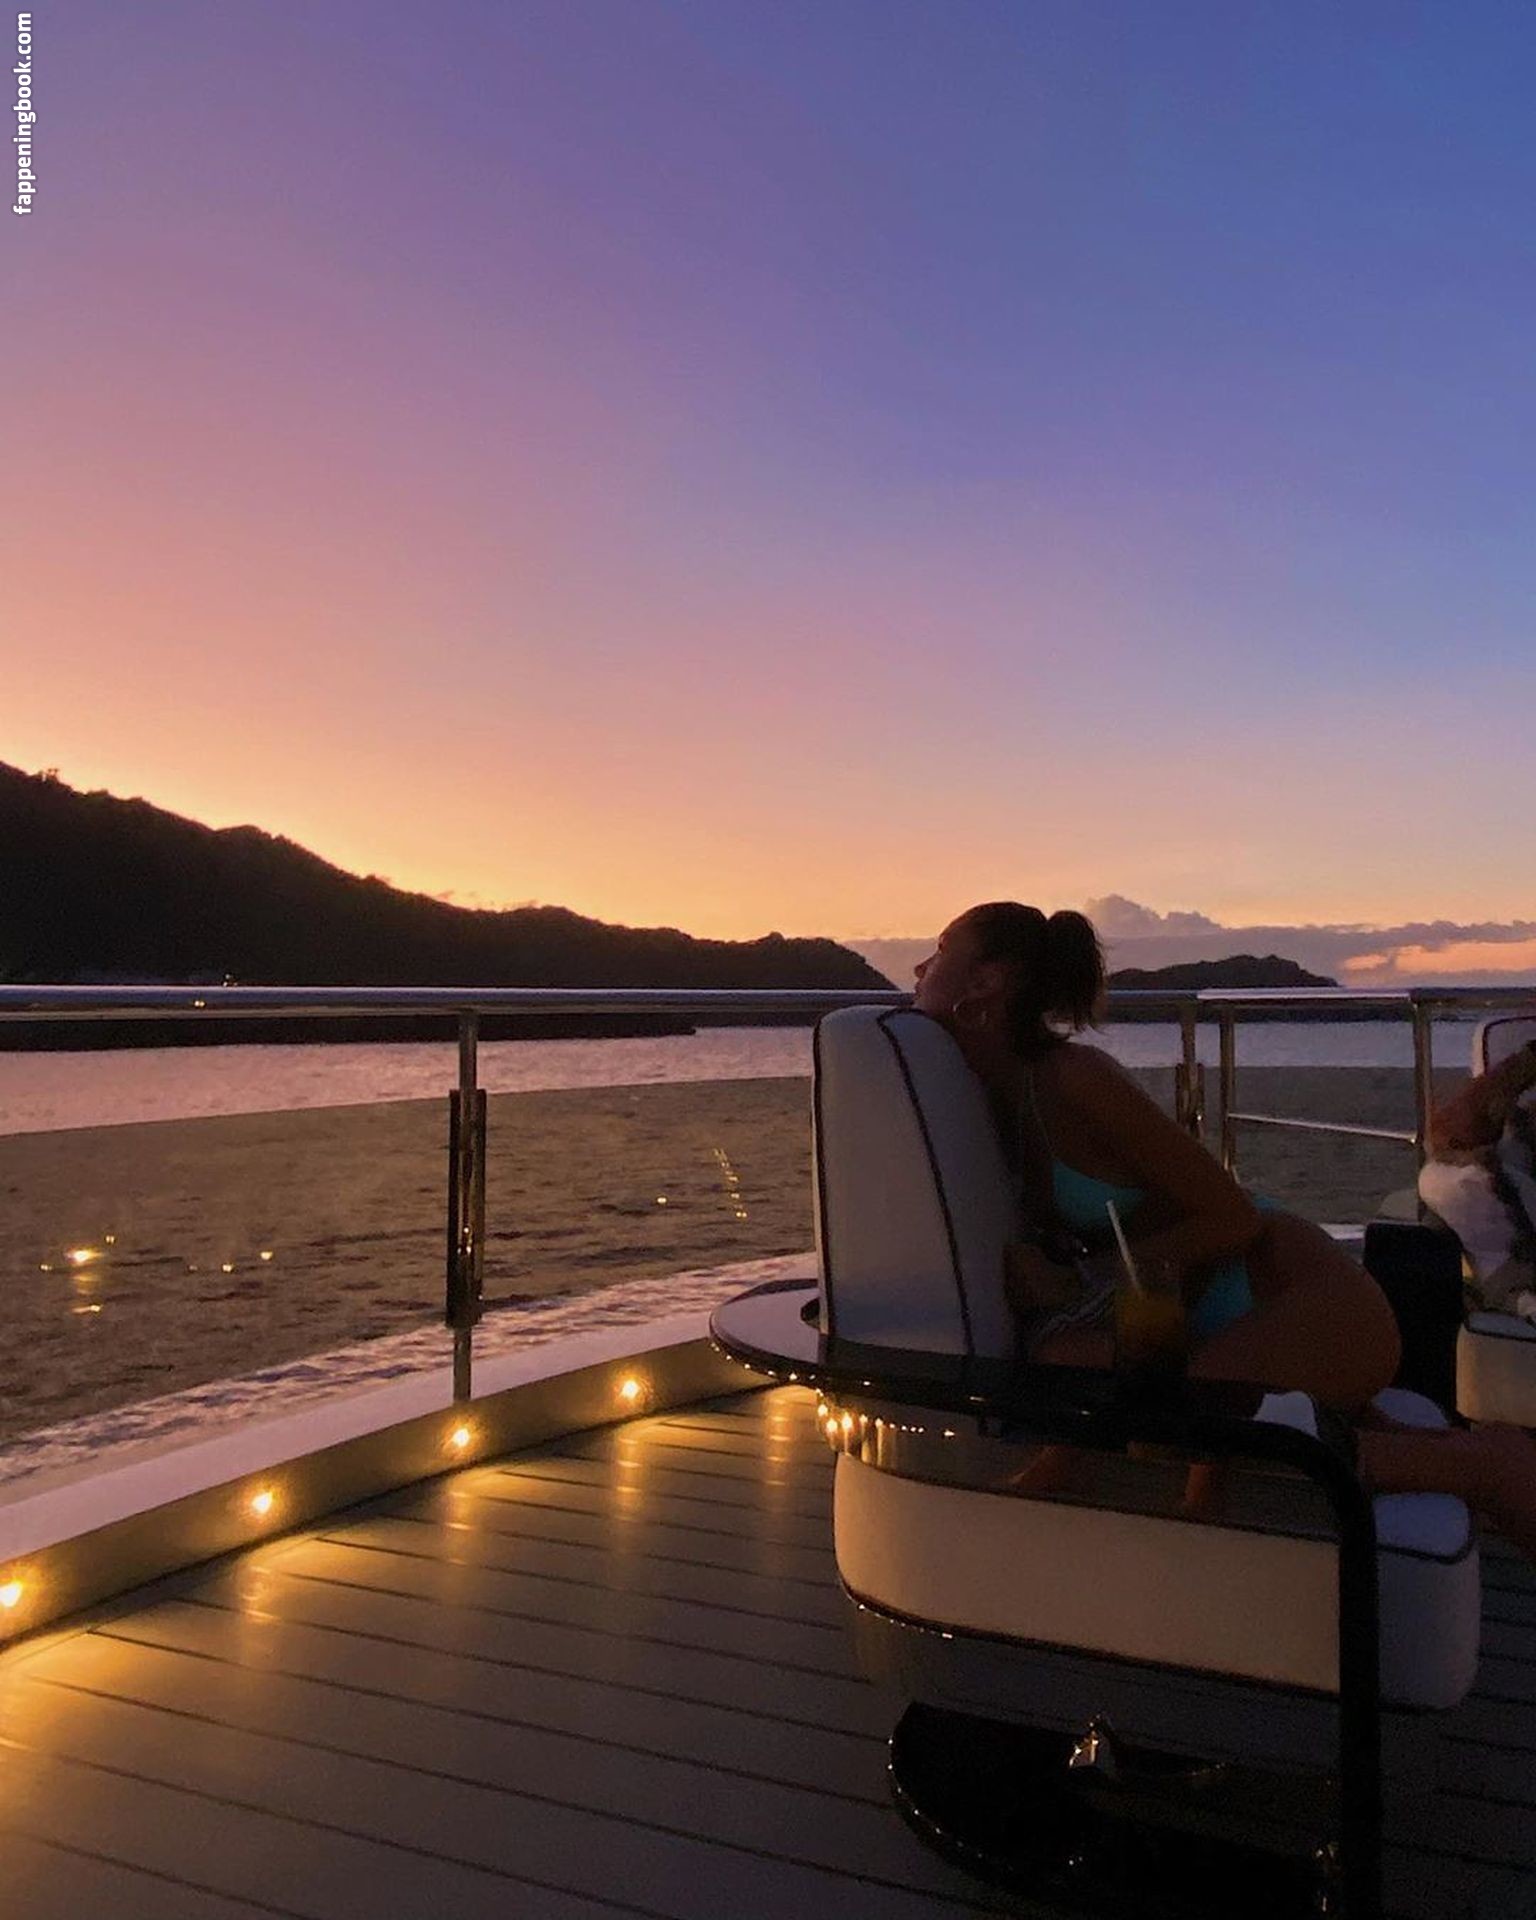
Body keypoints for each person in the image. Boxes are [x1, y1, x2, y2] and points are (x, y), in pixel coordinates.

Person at [911, 901, 1536, 1557]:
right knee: (1067, 1362)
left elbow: (1232, 1216)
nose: (922, 967)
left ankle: (1486, 1463)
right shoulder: (1000, 1087)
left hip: (1294, 1296)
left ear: (987, 980)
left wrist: (1081, 1277)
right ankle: (1471, 1454)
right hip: (1207, 1311)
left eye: (942, 948)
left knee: (1203, 1425)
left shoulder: (1076, 1078)